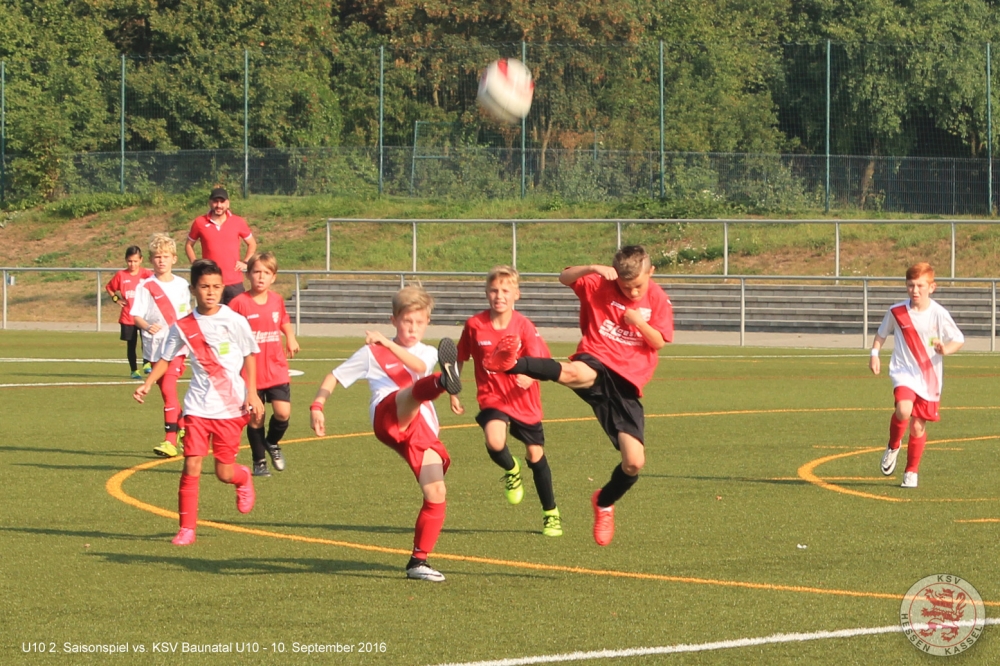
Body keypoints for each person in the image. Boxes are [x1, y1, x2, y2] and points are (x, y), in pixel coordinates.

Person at [483, 245, 673, 546]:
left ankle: (604, 502)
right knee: (573, 372)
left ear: (651, 272)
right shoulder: (600, 283)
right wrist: (593, 268)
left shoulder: (658, 298)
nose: (633, 292)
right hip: (597, 359)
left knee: (634, 463)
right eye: (626, 287)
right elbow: (564, 277)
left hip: (627, 386)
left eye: (638, 285)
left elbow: (659, 341)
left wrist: (638, 322)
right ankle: (510, 363)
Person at [309, 285, 462, 582]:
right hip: (387, 415)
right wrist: (318, 405)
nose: (413, 328)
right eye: (407, 321)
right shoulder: (371, 353)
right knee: (409, 394)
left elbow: (418, 365)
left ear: (427, 323)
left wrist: (388, 345)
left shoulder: (428, 352)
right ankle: (442, 382)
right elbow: (334, 376)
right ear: (394, 320)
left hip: (420, 432)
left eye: (419, 322)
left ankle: (418, 562)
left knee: (436, 492)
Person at [134, 259, 262, 546]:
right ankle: (186, 528)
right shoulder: (183, 326)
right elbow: (166, 359)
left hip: (230, 406)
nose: (211, 292)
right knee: (191, 465)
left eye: (216, 286)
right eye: (204, 287)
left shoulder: (234, 320)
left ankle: (242, 478)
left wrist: (252, 393)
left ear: (223, 287)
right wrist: (147, 383)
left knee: (223, 472)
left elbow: (250, 355)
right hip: (196, 408)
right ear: (193, 289)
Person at [451, 265, 562, 537]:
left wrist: (530, 376)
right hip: (493, 396)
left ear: (516, 294)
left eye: (505, 291)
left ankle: (550, 513)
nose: (499, 296)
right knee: (495, 441)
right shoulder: (475, 325)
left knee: (535, 455)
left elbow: (542, 361)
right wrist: (453, 389)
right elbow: (460, 357)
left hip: (523, 399)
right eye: (493, 290)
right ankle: (511, 469)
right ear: (486, 293)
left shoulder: (524, 326)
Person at [870, 262, 964, 488]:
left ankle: (911, 471)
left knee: (918, 427)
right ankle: (893, 445)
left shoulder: (939, 313)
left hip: (929, 377)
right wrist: (874, 354)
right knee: (904, 409)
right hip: (903, 371)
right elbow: (881, 334)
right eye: (911, 285)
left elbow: (958, 339)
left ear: (932, 287)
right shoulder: (897, 311)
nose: (915, 290)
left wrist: (945, 349)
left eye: (920, 285)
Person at [229, 252, 300, 477]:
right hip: (250, 373)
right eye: (257, 272)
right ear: (248, 274)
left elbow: (284, 319)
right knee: (256, 417)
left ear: (274, 277)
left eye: (266, 273)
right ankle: (259, 461)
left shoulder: (277, 300)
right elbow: (227, 329)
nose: (261, 277)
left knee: (283, 413)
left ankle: (272, 442)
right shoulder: (239, 303)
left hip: (276, 367)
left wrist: (290, 337)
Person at [130, 233, 192, 458]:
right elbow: (136, 315)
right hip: (154, 347)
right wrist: (147, 326)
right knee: (168, 395)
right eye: (157, 256)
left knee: (168, 389)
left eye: (165, 256)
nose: (161, 260)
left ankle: (169, 441)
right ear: (151, 260)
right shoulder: (145, 286)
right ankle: (186, 427)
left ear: (174, 258)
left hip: (177, 347)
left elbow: (186, 313)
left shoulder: (182, 284)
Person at [184, 187, 256, 305]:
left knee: (236, 314)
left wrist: (246, 262)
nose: (218, 205)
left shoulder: (238, 221)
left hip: (234, 282)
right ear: (210, 202)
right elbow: (188, 245)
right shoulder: (200, 222)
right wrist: (195, 263)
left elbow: (252, 243)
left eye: (222, 202)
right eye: (215, 201)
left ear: (228, 203)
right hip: (211, 282)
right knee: (211, 314)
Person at [105, 246, 153, 379]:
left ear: (141, 260)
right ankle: (134, 371)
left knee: (147, 341)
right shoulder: (121, 275)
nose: (132, 264)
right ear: (126, 260)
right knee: (131, 345)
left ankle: (147, 363)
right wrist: (116, 299)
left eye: (135, 261)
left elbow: (157, 286)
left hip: (143, 316)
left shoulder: (147, 274)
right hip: (128, 317)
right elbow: (109, 287)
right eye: (130, 261)